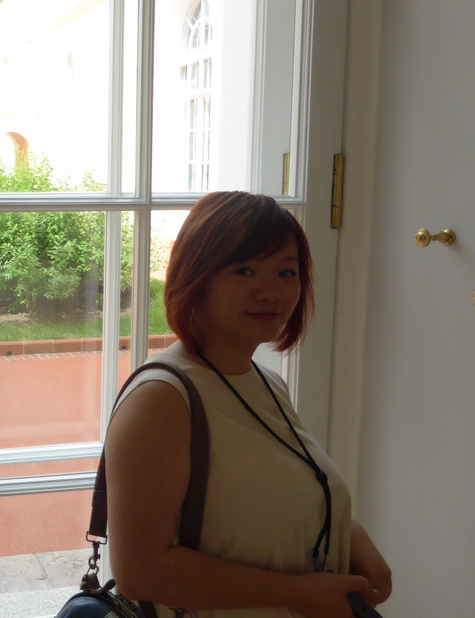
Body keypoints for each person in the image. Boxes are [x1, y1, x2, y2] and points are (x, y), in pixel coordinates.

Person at [106, 191, 392, 618]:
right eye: (244, 270)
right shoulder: (162, 399)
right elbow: (141, 570)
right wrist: (299, 594)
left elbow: (278, 495)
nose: (271, 292)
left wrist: (353, 538)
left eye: (286, 272)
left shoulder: (266, 382)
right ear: (195, 277)